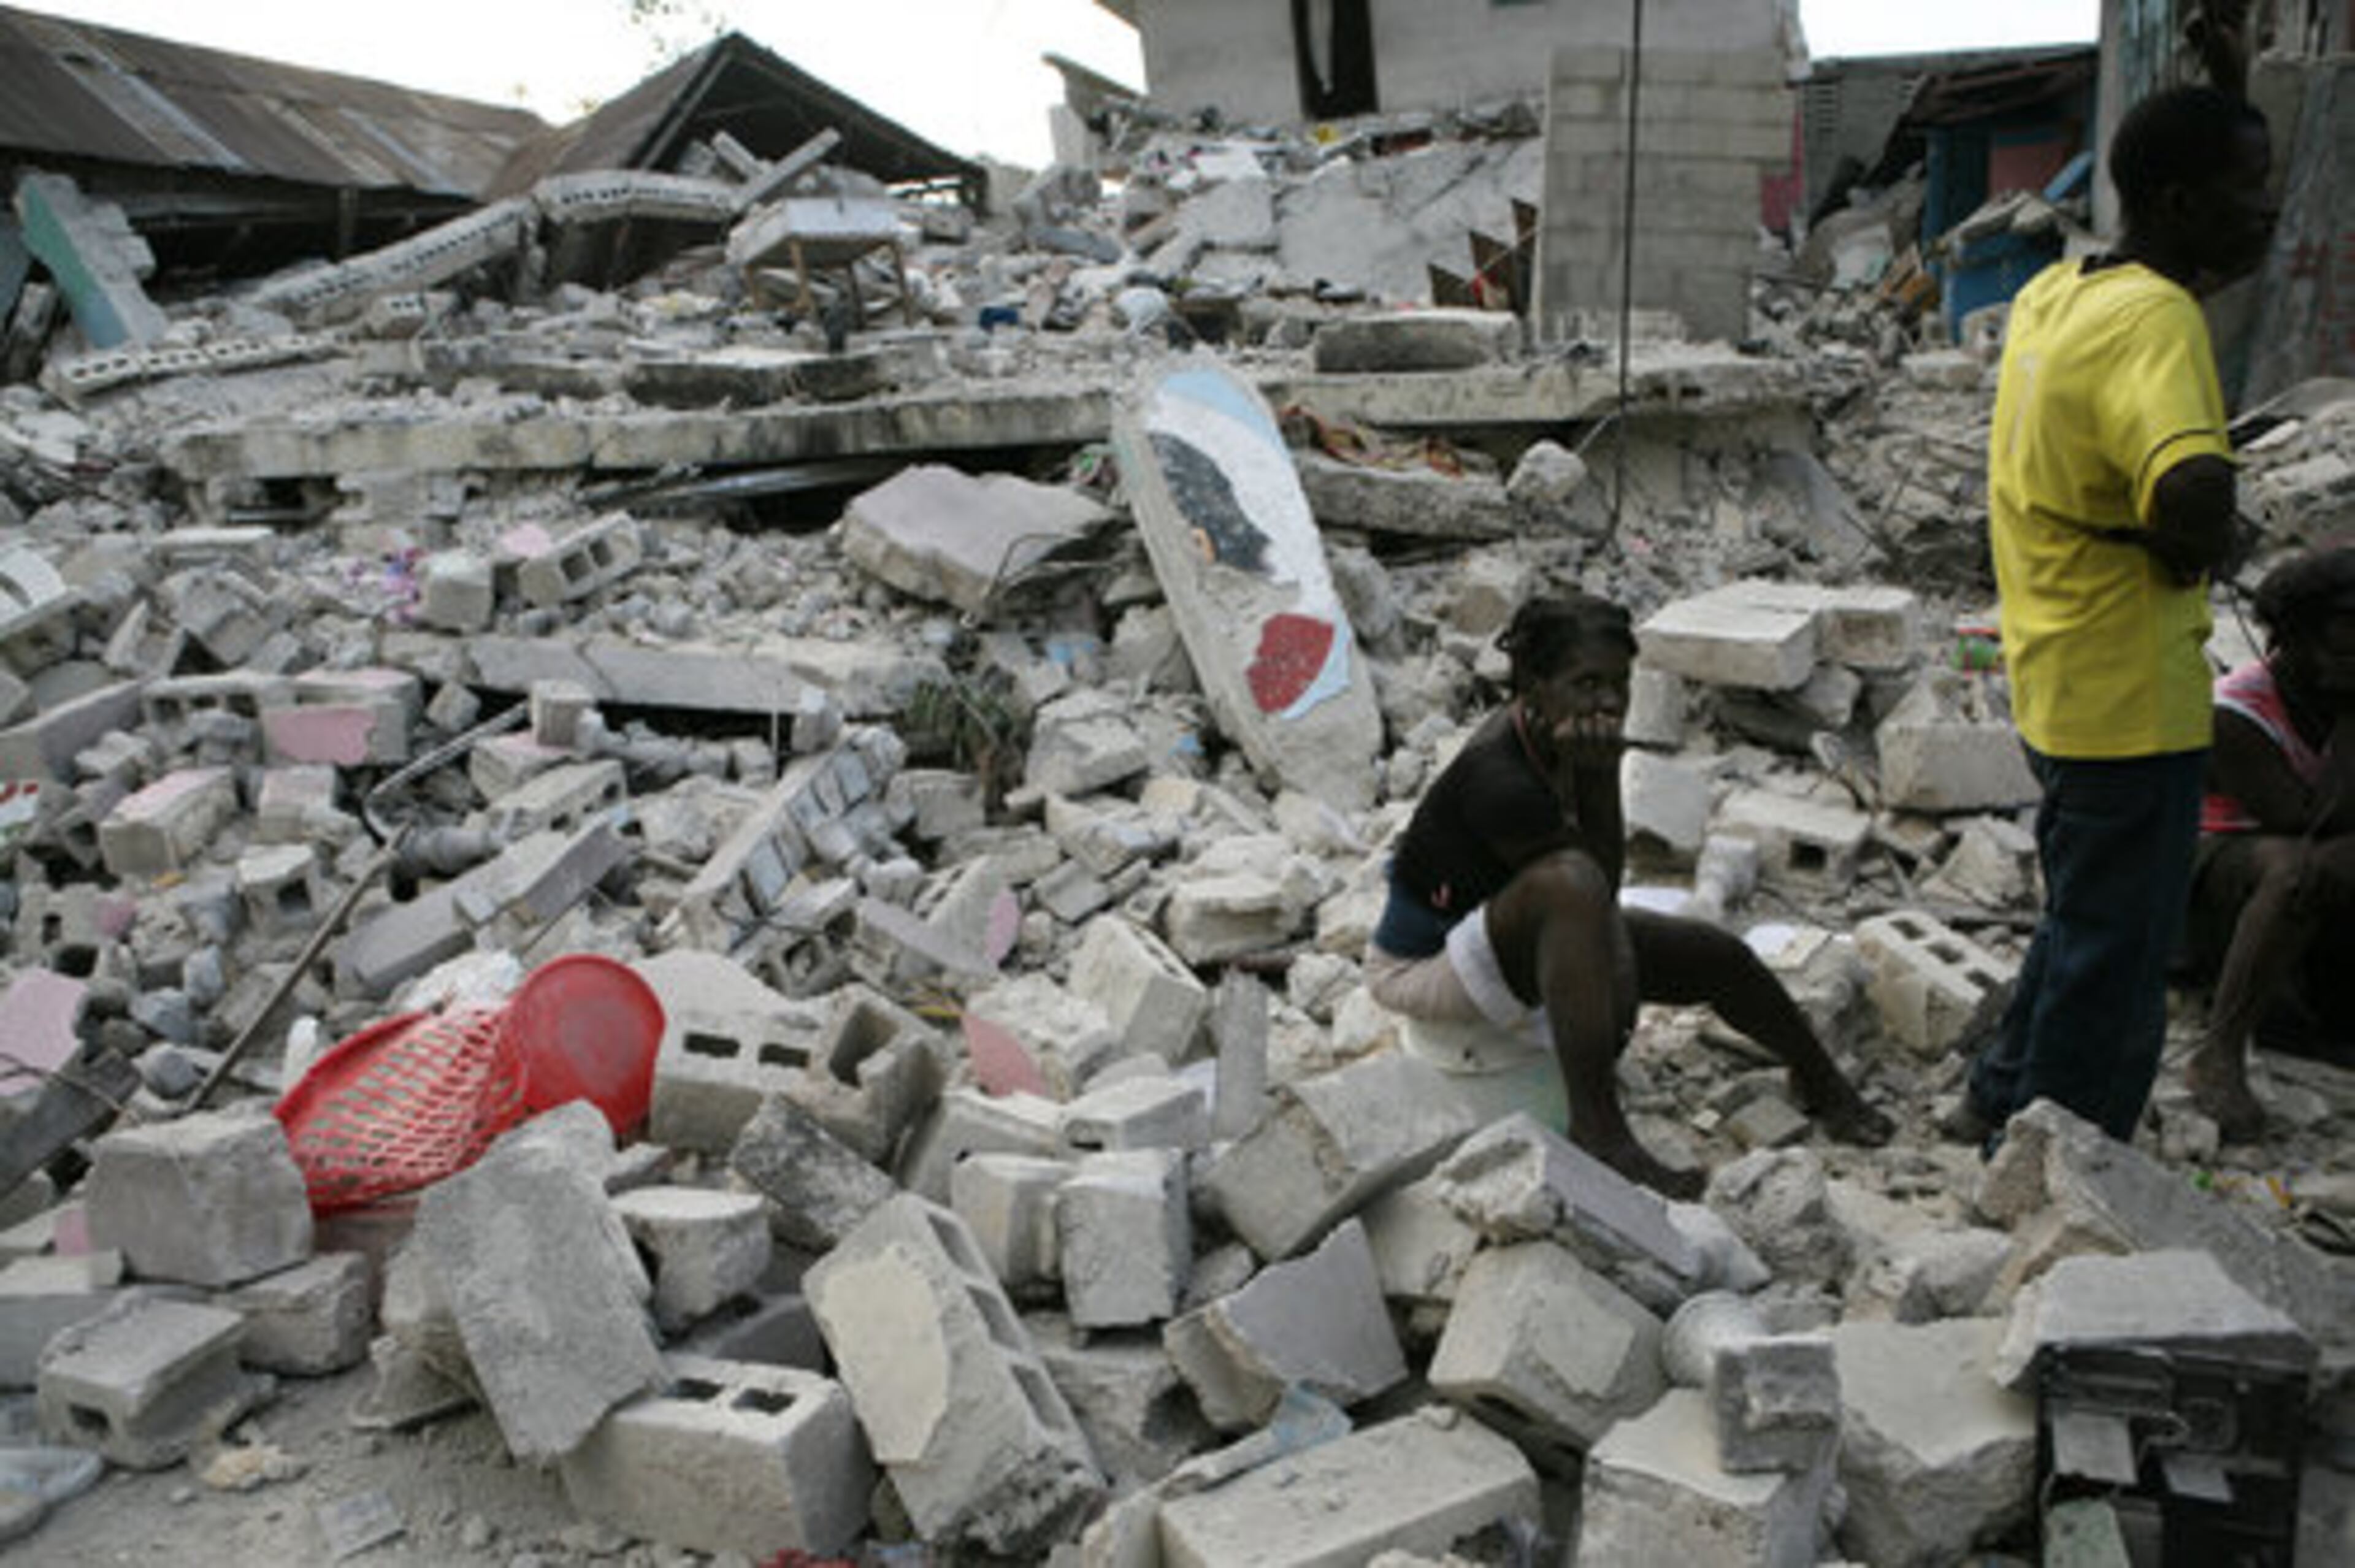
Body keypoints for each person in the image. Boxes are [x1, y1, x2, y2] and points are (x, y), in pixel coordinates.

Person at [1961, 84, 2277, 1146]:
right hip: (2133, 692)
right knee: (2120, 956)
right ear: (2181, 203)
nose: (2267, 212)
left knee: (2080, 917)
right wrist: (2206, 535)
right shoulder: (2160, 316)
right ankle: (2065, 1166)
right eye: (2250, 190)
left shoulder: (2064, 291)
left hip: (2056, 672)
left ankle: (2001, 1097)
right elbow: (2190, 485)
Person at [1364, 592, 1891, 1199]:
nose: (1609, 702)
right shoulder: (1498, 778)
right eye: (1586, 683)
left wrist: (1596, 774)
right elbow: (1591, 894)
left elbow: (1594, 906)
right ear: (1534, 685)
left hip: (1512, 932)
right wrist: (1599, 777)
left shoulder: (1553, 737)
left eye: (1619, 683)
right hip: (1423, 969)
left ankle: (1821, 1081)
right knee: (1572, 882)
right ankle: (1600, 1132)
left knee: (1716, 956)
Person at [2183, 544, 2355, 1139]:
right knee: (2300, 869)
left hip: (2316, 849)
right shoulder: (2236, 711)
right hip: (2220, 868)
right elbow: (2306, 817)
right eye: (2342, 639)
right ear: (2295, 637)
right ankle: (2220, 1053)